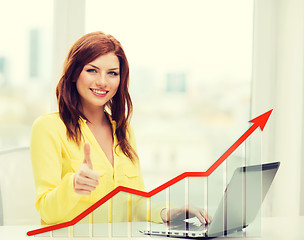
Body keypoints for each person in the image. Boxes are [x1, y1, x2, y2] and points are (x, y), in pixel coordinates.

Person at [30, 31, 211, 225]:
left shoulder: (123, 131)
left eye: (112, 73)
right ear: (74, 73)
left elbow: (136, 205)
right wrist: (73, 185)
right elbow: (47, 212)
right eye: (92, 70)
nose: (102, 81)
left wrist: (168, 212)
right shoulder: (48, 128)